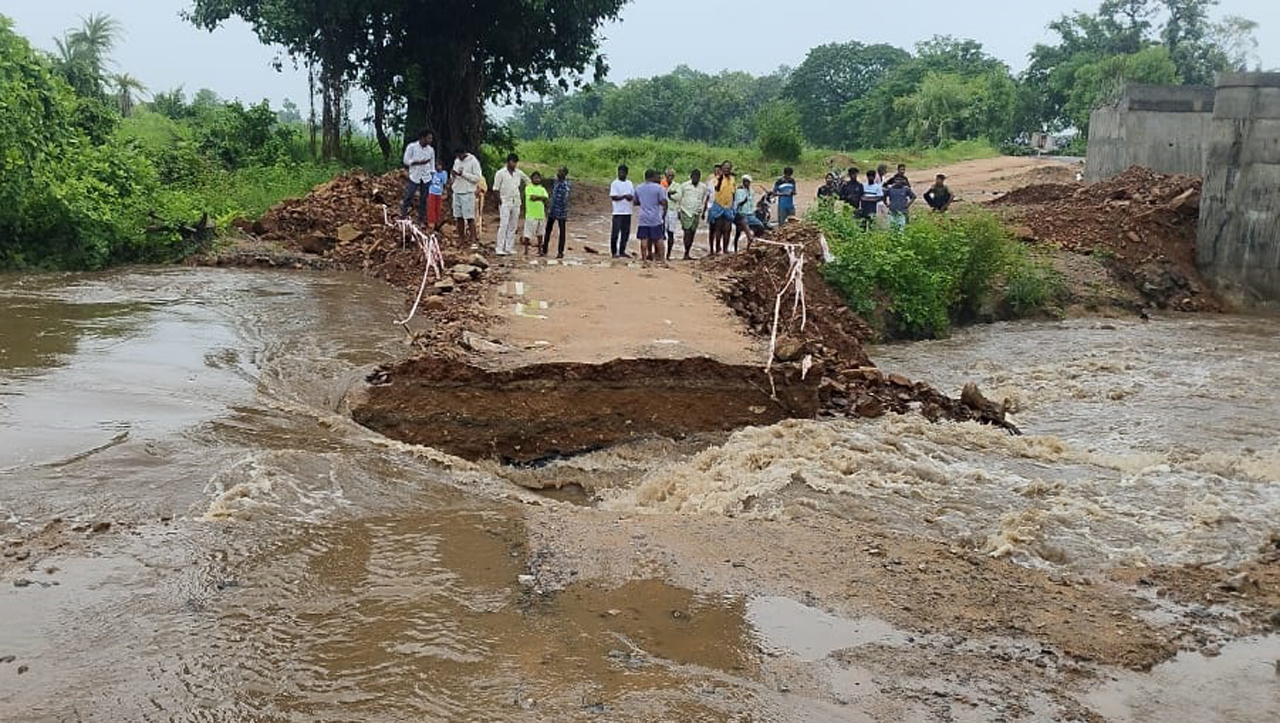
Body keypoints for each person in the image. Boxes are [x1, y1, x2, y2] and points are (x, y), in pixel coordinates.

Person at [492, 153, 529, 257]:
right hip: (505, 201)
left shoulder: (518, 173)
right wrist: (499, 201)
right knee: (504, 224)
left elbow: (528, 181)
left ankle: (509, 247)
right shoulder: (500, 173)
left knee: (513, 225)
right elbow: (495, 188)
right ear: (508, 162)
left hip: (516, 201)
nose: (514, 164)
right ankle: (499, 247)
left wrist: (526, 192)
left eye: (516, 162)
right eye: (513, 162)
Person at [634, 169, 669, 265]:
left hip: (643, 217)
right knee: (659, 239)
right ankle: (662, 260)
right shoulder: (659, 188)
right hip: (655, 217)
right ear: (653, 177)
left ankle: (644, 260)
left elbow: (635, 202)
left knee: (643, 239)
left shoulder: (638, 187)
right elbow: (663, 201)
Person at [400, 129, 435, 223]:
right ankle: (403, 215)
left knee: (424, 199)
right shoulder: (412, 147)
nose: (431, 140)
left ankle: (421, 219)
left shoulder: (431, 150)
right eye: (429, 138)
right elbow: (406, 161)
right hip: (415, 175)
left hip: (426, 177)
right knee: (409, 195)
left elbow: (432, 164)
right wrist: (417, 162)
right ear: (423, 138)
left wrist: (432, 175)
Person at [451, 147, 483, 245]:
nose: (459, 157)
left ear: (464, 152)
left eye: (460, 155)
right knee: (458, 217)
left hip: (467, 192)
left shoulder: (473, 161)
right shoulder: (456, 161)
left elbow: (477, 178)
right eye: (457, 155)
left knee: (469, 217)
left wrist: (463, 174)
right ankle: (462, 238)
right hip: (457, 191)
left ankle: (473, 239)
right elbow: (453, 176)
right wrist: (453, 175)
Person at [672, 168, 706, 261]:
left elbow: (702, 199)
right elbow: (679, 198)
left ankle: (688, 252)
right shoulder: (684, 186)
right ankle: (686, 253)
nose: (696, 178)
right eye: (694, 177)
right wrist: (678, 210)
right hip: (685, 211)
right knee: (687, 232)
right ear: (691, 177)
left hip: (696, 212)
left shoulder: (703, 187)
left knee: (692, 233)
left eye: (698, 177)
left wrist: (701, 210)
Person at [542, 166, 571, 258]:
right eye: (558, 171)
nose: (558, 173)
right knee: (548, 230)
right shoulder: (556, 182)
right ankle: (544, 250)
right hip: (553, 209)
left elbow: (565, 200)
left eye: (560, 172)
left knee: (561, 232)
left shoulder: (565, 185)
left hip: (561, 211)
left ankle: (560, 252)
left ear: (565, 174)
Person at [709, 160, 737, 255]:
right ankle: (717, 248)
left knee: (727, 229)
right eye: (725, 168)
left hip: (728, 207)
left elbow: (733, 193)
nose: (727, 169)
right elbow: (716, 188)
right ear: (722, 169)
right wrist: (720, 179)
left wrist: (733, 206)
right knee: (718, 229)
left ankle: (725, 249)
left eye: (728, 168)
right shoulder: (718, 178)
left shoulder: (732, 179)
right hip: (719, 206)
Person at [609, 165, 636, 258]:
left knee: (625, 233)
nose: (621, 174)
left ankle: (622, 251)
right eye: (620, 172)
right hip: (617, 212)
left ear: (626, 173)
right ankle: (613, 252)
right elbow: (613, 197)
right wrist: (624, 196)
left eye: (623, 172)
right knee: (615, 232)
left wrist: (630, 197)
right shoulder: (614, 183)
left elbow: (633, 195)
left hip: (627, 212)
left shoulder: (630, 183)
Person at [522, 171, 549, 255]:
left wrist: (538, 197)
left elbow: (546, 198)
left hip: (540, 214)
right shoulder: (528, 187)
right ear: (531, 179)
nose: (537, 179)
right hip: (531, 214)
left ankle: (540, 250)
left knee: (540, 233)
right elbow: (532, 198)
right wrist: (541, 198)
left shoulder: (542, 188)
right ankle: (526, 249)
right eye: (535, 177)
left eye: (538, 178)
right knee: (528, 233)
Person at [731, 175, 755, 251]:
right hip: (740, 213)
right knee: (739, 232)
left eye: (748, 182)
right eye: (745, 181)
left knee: (759, 227)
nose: (746, 183)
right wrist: (743, 201)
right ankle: (735, 248)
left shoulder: (752, 191)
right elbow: (738, 203)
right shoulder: (739, 191)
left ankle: (749, 245)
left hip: (750, 213)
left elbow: (752, 203)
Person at [662, 167, 680, 257]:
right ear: (665, 175)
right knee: (660, 233)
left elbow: (678, 197)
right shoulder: (661, 184)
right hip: (662, 211)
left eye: (672, 175)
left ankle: (668, 254)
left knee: (670, 233)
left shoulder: (677, 185)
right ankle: (660, 253)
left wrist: (669, 194)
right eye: (669, 175)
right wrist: (670, 193)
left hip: (672, 211)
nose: (670, 177)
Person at [426, 160, 449, 231]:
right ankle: (431, 222)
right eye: (437, 165)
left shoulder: (444, 173)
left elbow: (444, 183)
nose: (438, 167)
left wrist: (445, 192)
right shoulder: (433, 172)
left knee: (438, 208)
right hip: (432, 192)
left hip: (439, 193)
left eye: (440, 165)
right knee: (431, 207)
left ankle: (437, 222)